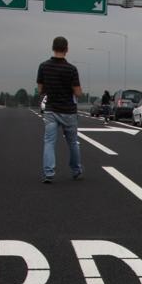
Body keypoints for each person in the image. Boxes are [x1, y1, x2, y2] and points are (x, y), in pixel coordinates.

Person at [37, 36, 83, 183]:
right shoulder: (71, 69)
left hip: (51, 110)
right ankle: (76, 170)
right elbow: (77, 93)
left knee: (49, 142)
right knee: (73, 142)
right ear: (67, 49)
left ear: (53, 48)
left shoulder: (43, 66)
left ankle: (49, 173)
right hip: (69, 111)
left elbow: (40, 90)